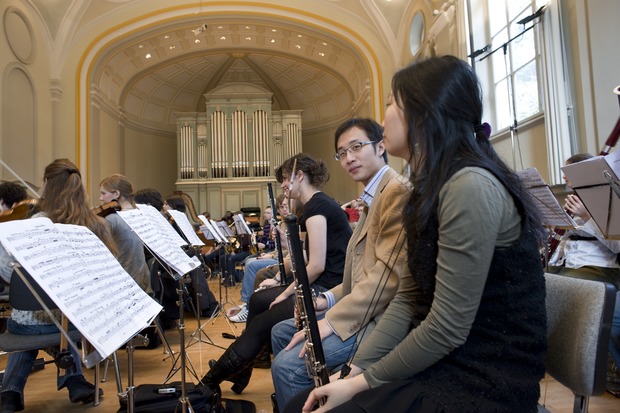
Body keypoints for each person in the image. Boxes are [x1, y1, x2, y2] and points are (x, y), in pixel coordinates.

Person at [292, 56, 547, 413]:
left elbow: (447, 326)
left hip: (485, 377)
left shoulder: (468, 186)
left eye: (391, 104)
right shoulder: (427, 190)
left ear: (424, 114)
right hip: (446, 359)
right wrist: (354, 372)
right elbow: (407, 300)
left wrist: (359, 385)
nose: (382, 119)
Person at [270, 117, 410, 409]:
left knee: (286, 365)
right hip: (361, 306)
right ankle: (306, 398)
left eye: (356, 147)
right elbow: (357, 274)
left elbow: (385, 280)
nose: (348, 158)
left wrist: (331, 323)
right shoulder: (371, 196)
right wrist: (326, 299)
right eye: (342, 152)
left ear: (381, 146)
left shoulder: (395, 192)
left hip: (378, 318)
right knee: (281, 331)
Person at [200, 153, 351, 396]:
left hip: (329, 288)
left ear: (299, 176)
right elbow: (304, 258)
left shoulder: (317, 207)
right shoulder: (310, 208)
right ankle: (243, 371)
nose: (282, 184)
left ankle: (209, 382)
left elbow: (317, 265)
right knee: (258, 300)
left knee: (262, 321)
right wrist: (287, 242)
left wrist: (285, 294)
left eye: (284, 178)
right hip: (320, 282)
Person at [0, 159, 113, 412]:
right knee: (59, 319)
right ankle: (74, 381)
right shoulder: (94, 224)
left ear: (46, 185)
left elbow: (10, 275)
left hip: (28, 325)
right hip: (75, 322)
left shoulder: (33, 223)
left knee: (29, 322)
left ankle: (10, 393)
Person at [547, 152, 620, 396]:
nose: (565, 178)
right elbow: (567, 242)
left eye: (570, 173)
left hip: (601, 268)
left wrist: (589, 217)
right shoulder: (572, 200)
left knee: (563, 289)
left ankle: (571, 363)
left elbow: (616, 246)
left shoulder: (607, 199)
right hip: (570, 264)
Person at [230, 194, 290, 323]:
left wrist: (271, 254)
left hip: (283, 259)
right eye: (281, 207)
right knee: (250, 260)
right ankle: (247, 302)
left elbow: (287, 250)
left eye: (286, 206)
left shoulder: (288, 223)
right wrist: (270, 253)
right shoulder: (282, 223)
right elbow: (278, 248)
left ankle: (247, 305)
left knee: (251, 264)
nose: (284, 209)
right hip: (277, 256)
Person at [99, 174, 150, 292]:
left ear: (116, 194)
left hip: (122, 284)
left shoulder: (112, 219)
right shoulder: (141, 215)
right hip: (143, 281)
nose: (101, 198)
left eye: (103, 193)